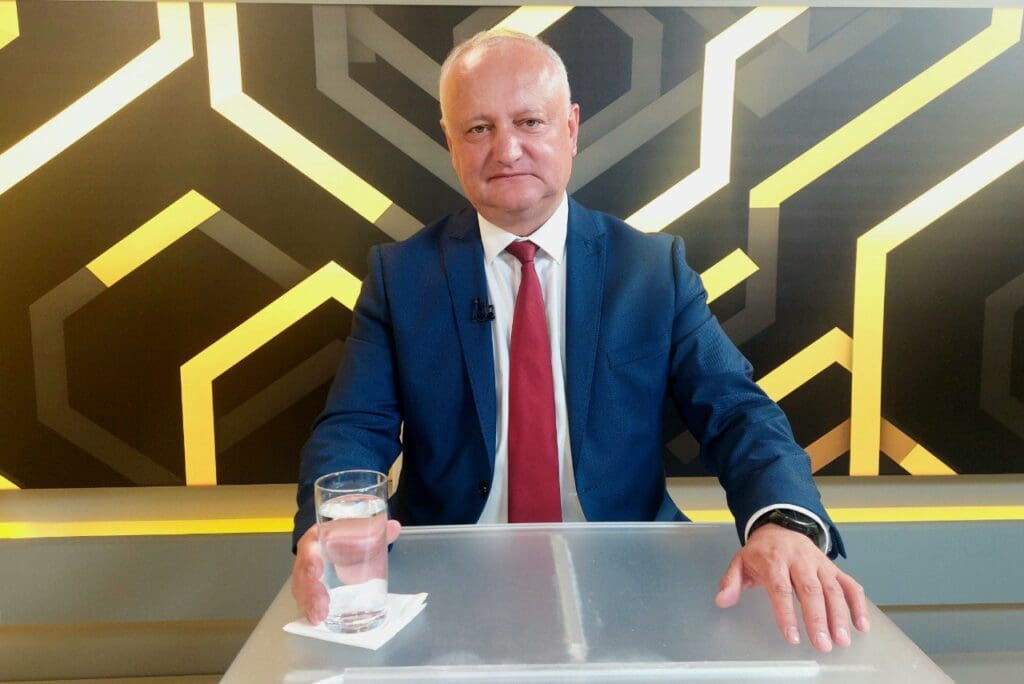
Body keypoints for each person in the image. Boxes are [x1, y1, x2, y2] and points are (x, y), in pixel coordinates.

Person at [291, 29, 868, 653]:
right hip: (446, 577)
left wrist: (781, 519)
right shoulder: (400, 277)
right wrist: (333, 525)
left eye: (529, 121)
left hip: (630, 577)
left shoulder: (653, 270)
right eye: (479, 128)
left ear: (570, 128)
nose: (507, 149)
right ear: (450, 142)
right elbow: (354, 427)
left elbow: (736, 411)